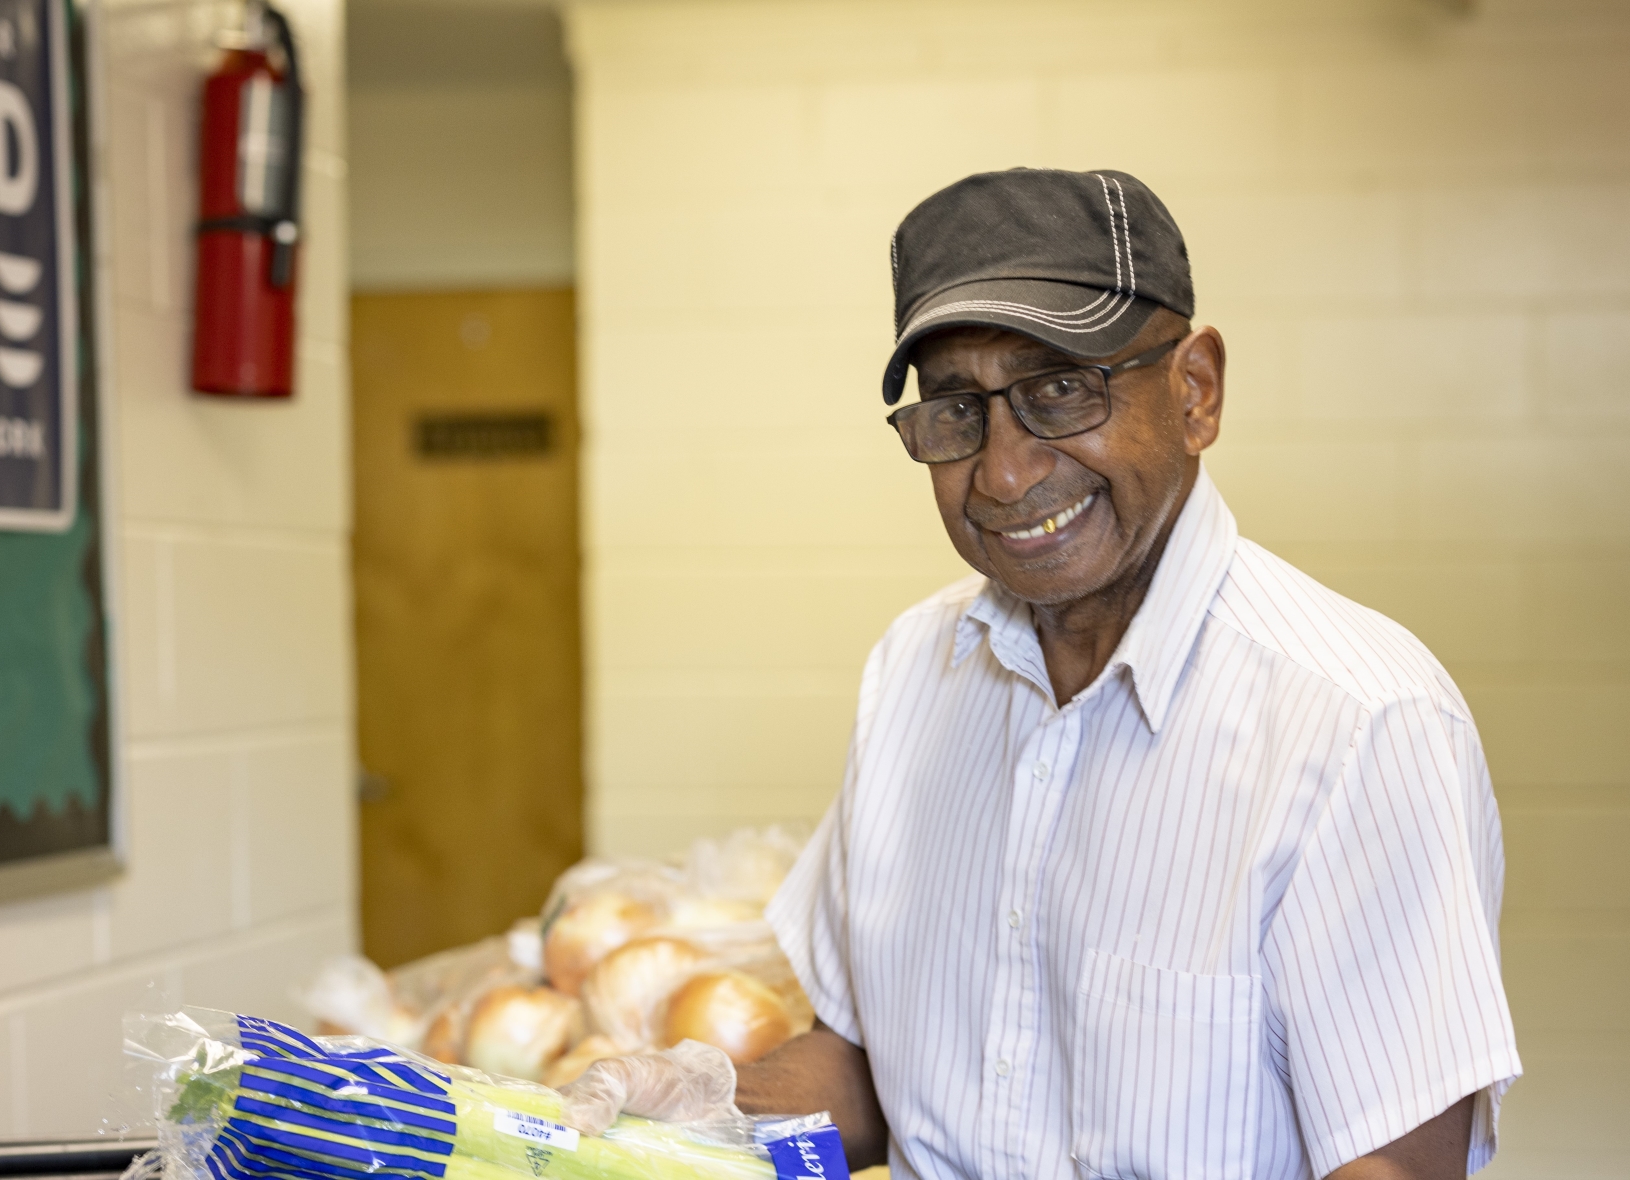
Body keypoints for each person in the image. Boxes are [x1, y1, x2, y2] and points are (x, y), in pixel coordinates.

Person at [560, 169, 1520, 1180]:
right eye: (957, 410)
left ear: (1195, 390)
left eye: (1062, 388)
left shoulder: (1360, 724)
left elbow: (1393, 1170)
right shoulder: (916, 675)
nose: (1006, 474)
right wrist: (701, 1110)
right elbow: (864, 1069)